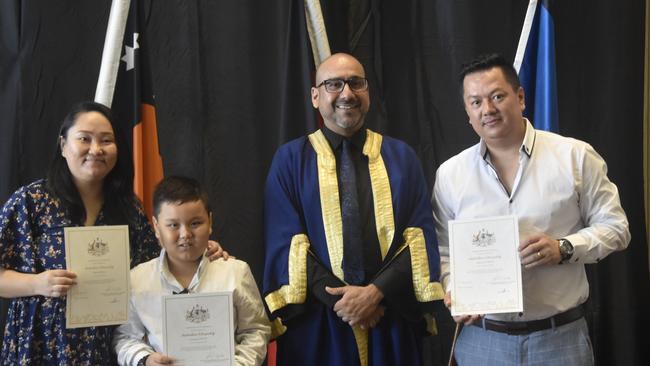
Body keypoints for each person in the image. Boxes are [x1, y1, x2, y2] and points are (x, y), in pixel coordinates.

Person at [432, 53, 630, 365]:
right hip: (482, 342)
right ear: (467, 112)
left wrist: (564, 248)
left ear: (520, 97)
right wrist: (456, 290)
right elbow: (445, 252)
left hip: (560, 340)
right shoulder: (450, 174)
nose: (488, 109)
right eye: (476, 102)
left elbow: (617, 229)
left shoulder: (575, 157)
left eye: (498, 96)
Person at [0, 101, 227, 365]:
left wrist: (202, 248)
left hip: (107, 346)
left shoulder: (127, 208)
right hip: (41, 346)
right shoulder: (31, 201)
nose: (96, 149)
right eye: (84, 139)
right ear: (63, 145)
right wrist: (37, 283)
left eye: (106, 140)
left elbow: (157, 269)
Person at [263, 53, 443, 366]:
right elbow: (287, 243)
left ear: (367, 92)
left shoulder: (401, 157)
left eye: (356, 83)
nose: (347, 93)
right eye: (334, 84)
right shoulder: (290, 161)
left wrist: (375, 294)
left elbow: (418, 237)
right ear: (315, 96)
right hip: (320, 325)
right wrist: (345, 303)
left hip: (389, 318)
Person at [113, 176, 270, 366]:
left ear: (210, 222)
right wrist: (145, 359)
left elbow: (256, 330)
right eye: (173, 225)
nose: (185, 234)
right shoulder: (137, 279)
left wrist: (240, 363)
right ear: (156, 227)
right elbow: (125, 337)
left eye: (195, 223)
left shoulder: (236, 272)